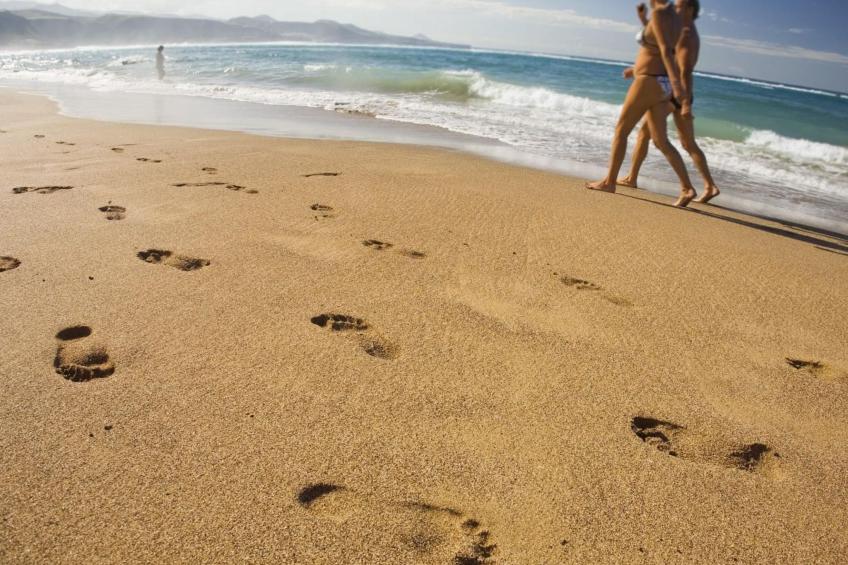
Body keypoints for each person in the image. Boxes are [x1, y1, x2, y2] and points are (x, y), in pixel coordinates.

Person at [586, 0, 697, 208]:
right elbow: (658, 44)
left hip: (649, 81)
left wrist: (679, 87)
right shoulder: (673, 17)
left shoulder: (660, 14)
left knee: (621, 130)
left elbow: (665, 51)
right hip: (660, 83)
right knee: (660, 141)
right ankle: (687, 187)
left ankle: (609, 182)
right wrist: (637, 67)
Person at [619, 0, 720, 204]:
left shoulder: (688, 34)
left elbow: (685, 70)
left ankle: (633, 178)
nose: (675, 8)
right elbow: (661, 44)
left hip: (677, 94)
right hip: (679, 93)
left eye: (680, 5)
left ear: (690, 10)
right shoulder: (685, 29)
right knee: (686, 142)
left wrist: (684, 102)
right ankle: (709, 186)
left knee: (648, 134)